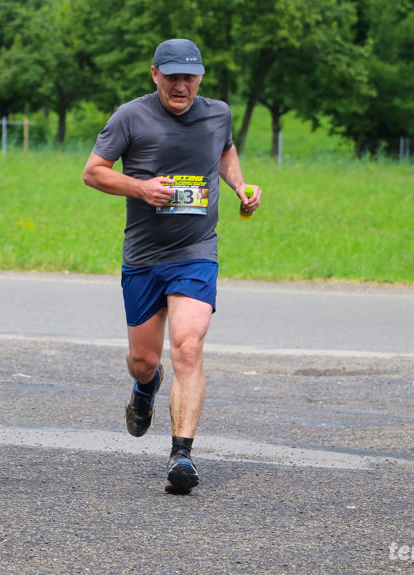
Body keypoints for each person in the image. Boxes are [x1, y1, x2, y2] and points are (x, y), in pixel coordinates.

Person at [82, 38, 261, 494]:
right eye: (173, 76)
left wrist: (241, 186)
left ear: (200, 76)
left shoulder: (218, 112)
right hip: (143, 257)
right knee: (144, 360)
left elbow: (224, 150)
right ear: (155, 74)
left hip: (196, 252)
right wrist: (141, 189)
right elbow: (94, 171)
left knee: (187, 346)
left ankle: (181, 456)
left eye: (190, 76)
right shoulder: (130, 116)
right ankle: (145, 390)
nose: (181, 85)